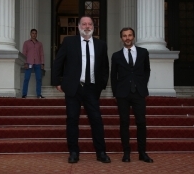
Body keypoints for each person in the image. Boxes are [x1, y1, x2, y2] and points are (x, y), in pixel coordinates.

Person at [52, 15, 111, 163]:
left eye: (89, 24)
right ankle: (73, 152)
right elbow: (58, 61)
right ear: (79, 26)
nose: (87, 26)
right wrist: (57, 81)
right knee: (72, 119)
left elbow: (105, 67)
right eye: (84, 24)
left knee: (96, 120)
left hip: (92, 88)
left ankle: (101, 152)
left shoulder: (101, 45)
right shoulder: (69, 42)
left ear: (93, 26)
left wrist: (101, 85)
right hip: (73, 88)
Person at [111, 27, 153, 163]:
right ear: (121, 38)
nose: (127, 38)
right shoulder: (116, 55)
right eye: (124, 36)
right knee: (124, 123)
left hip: (139, 93)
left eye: (129, 35)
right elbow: (113, 76)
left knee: (141, 122)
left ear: (133, 37)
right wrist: (115, 93)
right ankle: (126, 153)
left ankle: (142, 153)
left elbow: (147, 70)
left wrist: (142, 84)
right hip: (122, 94)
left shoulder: (143, 52)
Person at [22, 29, 45, 99]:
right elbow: (24, 53)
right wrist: (25, 62)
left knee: (39, 79)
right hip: (29, 62)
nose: (34, 35)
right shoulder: (26, 43)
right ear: (30, 34)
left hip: (38, 63)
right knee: (26, 78)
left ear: (37, 34)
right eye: (33, 33)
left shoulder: (39, 44)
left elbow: (41, 54)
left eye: (35, 33)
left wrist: (42, 63)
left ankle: (39, 94)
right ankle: (24, 94)